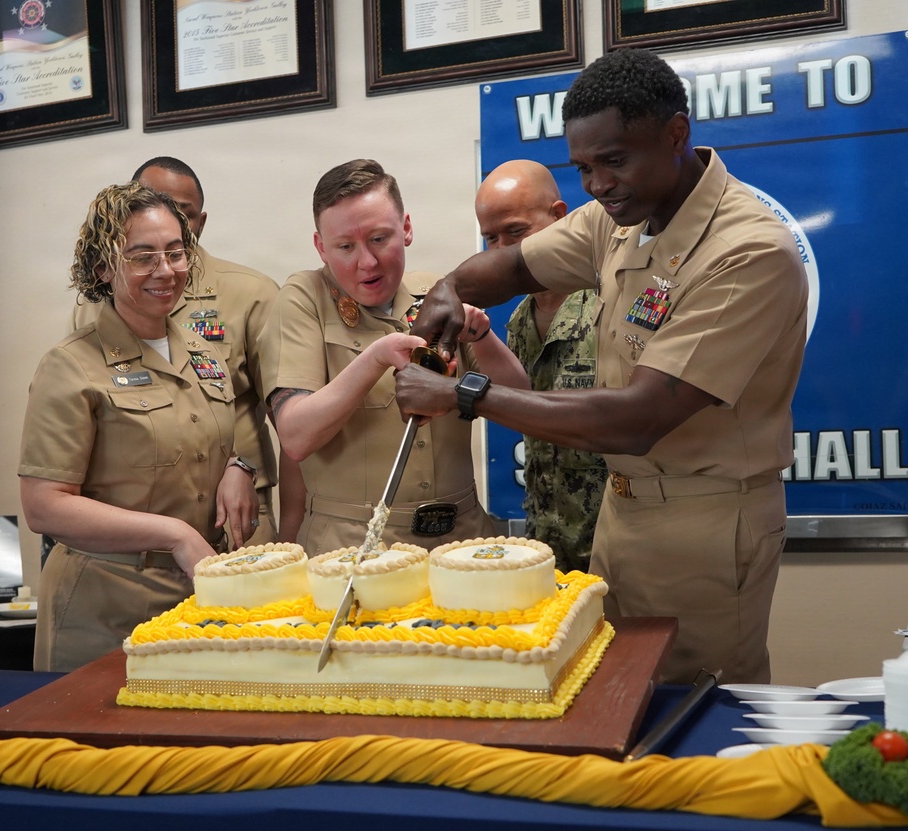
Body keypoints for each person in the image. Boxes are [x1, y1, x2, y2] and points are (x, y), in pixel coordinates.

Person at [395, 49, 808, 685]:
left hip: (704, 523)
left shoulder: (748, 251)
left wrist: (464, 396)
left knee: (692, 709)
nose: (595, 185)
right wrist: (451, 288)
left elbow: (637, 419)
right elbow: (513, 267)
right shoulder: (619, 218)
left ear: (676, 134)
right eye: (583, 168)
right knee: (616, 702)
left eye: (612, 161)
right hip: (622, 516)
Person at [20, 182, 253, 672]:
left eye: (175, 252)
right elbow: (44, 506)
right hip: (105, 607)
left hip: (195, 605)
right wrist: (174, 535)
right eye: (142, 256)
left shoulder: (205, 355)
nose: (165, 270)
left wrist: (238, 465)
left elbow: (191, 441)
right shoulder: (70, 366)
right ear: (104, 266)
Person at [257, 159, 521, 556]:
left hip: (462, 542)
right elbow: (295, 436)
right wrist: (376, 357)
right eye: (345, 247)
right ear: (320, 247)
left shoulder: (437, 292)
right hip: (355, 550)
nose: (367, 262)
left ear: (407, 228)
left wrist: (481, 336)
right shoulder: (304, 299)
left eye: (379, 239)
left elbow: (521, 399)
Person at [73, 157, 305, 545]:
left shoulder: (251, 293)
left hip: (234, 511)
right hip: (131, 517)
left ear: (200, 222)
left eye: (184, 214)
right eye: (152, 204)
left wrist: (294, 526)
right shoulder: (96, 305)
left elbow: (292, 422)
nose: (166, 219)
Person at [475, 160, 607, 572]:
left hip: (613, 544)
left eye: (516, 232)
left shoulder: (610, 305)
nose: (501, 252)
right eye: (490, 238)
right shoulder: (518, 320)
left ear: (559, 217)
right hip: (548, 545)